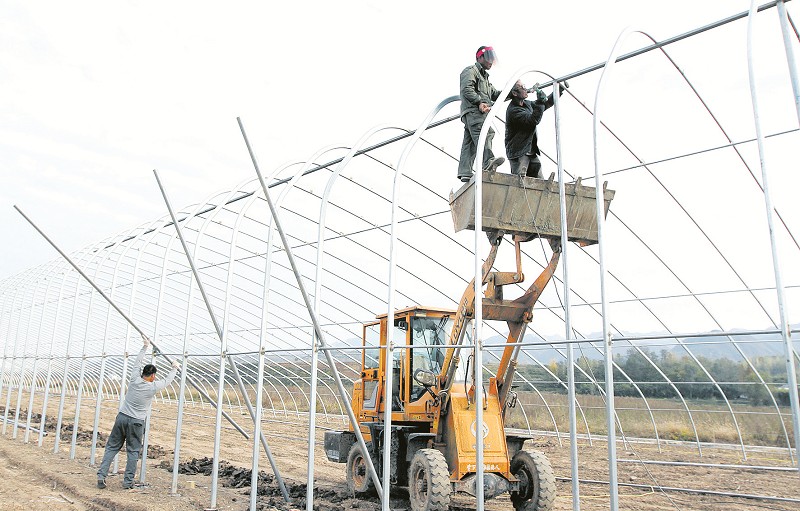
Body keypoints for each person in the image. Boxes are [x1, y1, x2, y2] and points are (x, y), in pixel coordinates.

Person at [97, 335, 179, 490]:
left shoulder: (134, 379)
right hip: (136, 422)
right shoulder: (152, 386)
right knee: (133, 451)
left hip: (121, 417)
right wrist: (174, 367)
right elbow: (168, 381)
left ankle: (101, 476)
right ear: (153, 376)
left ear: (143, 373)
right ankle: (128, 482)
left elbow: (137, 363)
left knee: (112, 447)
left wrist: (145, 346)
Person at [457, 45, 505, 182]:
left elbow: (495, 94)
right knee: (487, 133)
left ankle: (465, 171)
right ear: (479, 57)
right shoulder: (470, 71)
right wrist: (479, 102)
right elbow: (467, 89)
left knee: (470, 142)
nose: (491, 62)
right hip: (474, 111)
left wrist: (510, 92)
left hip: (474, 113)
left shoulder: (485, 79)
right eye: (488, 58)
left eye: (492, 59)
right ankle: (488, 161)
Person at [505, 80, 565, 178]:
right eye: (522, 87)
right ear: (515, 93)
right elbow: (533, 120)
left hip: (530, 150)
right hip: (519, 152)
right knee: (520, 181)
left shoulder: (526, 104)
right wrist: (540, 102)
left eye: (524, 86)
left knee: (539, 182)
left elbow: (545, 104)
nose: (525, 89)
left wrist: (558, 90)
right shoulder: (513, 111)